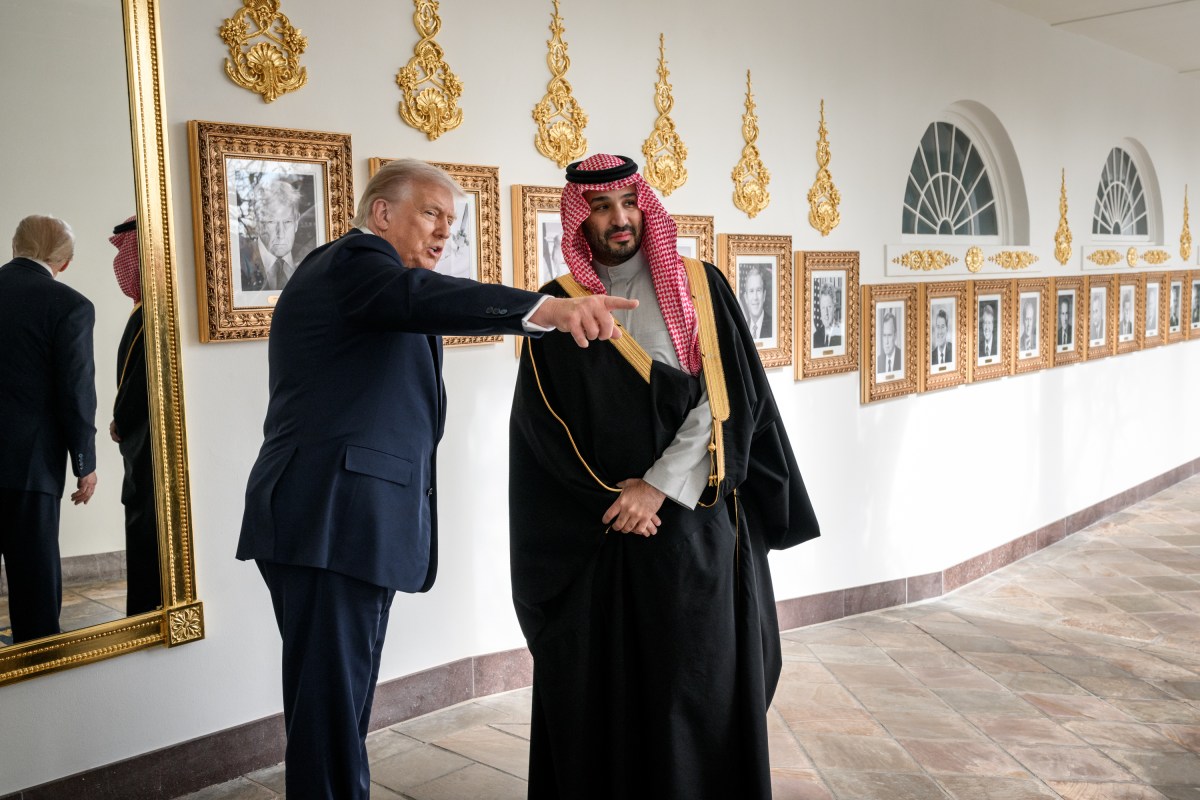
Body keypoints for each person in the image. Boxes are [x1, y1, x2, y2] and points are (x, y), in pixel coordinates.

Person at [236, 158, 634, 800]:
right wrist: (545, 311)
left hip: (338, 520)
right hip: (331, 519)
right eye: (431, 213)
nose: (444, 231)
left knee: (336, 706)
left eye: (451, 220)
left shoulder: (377, 283)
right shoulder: (356, 264)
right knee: (331, 711)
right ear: (381, 213)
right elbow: (418, 300)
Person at [508, 154, 819, 799]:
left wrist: (656, 485)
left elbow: (728, 398)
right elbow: (543, 425)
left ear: (644, 205)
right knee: (612, 693)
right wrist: (615, 498)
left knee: (694, 686)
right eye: (600, 207)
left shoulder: (700, 284)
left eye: (627, 203)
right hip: (609, 536)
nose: (618, 219)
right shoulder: (561, 304)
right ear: (580, 218)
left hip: (694, 530)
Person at [0, 215, 98, 643]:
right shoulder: (70, 306)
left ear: (14, 246)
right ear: (66, 262)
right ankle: (39, 678)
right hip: (30, 467)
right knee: (34, 585)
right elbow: (76, 395)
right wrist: (85, 463)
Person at [108, 217, 161, 616]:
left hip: (147, 445)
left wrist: (119, 422)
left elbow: (136, 383)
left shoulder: (150, 316)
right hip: (143, 442)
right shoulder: (145, 312)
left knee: (146, 534)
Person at [240, 177, 307, 292]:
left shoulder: (309, 258)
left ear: (296, 222)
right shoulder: (240, 263)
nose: (281, 233)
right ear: (258, 224)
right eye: (271, 222)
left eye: (287, 222)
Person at [739, 263, 772, 339]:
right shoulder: (742, 328)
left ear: (764, 295)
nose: (755, 297)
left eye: (758, 290)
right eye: (751, 291)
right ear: (746, 298)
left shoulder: (773, 325)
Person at [877, 308, 901, 373]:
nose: (886, 342)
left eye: (889, 335)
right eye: (884, 335)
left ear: (895, 336)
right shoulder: (878, 361)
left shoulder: (902, 357)